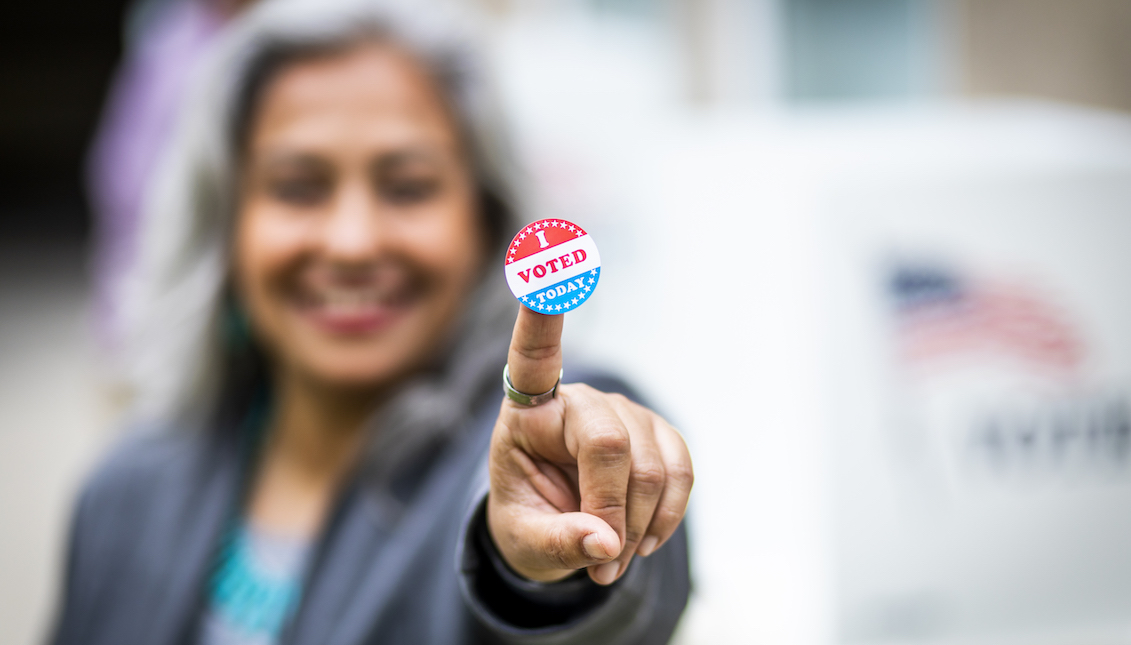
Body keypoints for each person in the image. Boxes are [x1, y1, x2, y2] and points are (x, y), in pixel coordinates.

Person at [52, 0, 692, 643]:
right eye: (297, 187)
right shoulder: (125, 489)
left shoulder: (553, 441)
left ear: (485, 220)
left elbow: (614, 598)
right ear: (225, 227)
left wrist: (540, 571)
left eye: (408, 187)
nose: (352, 243)